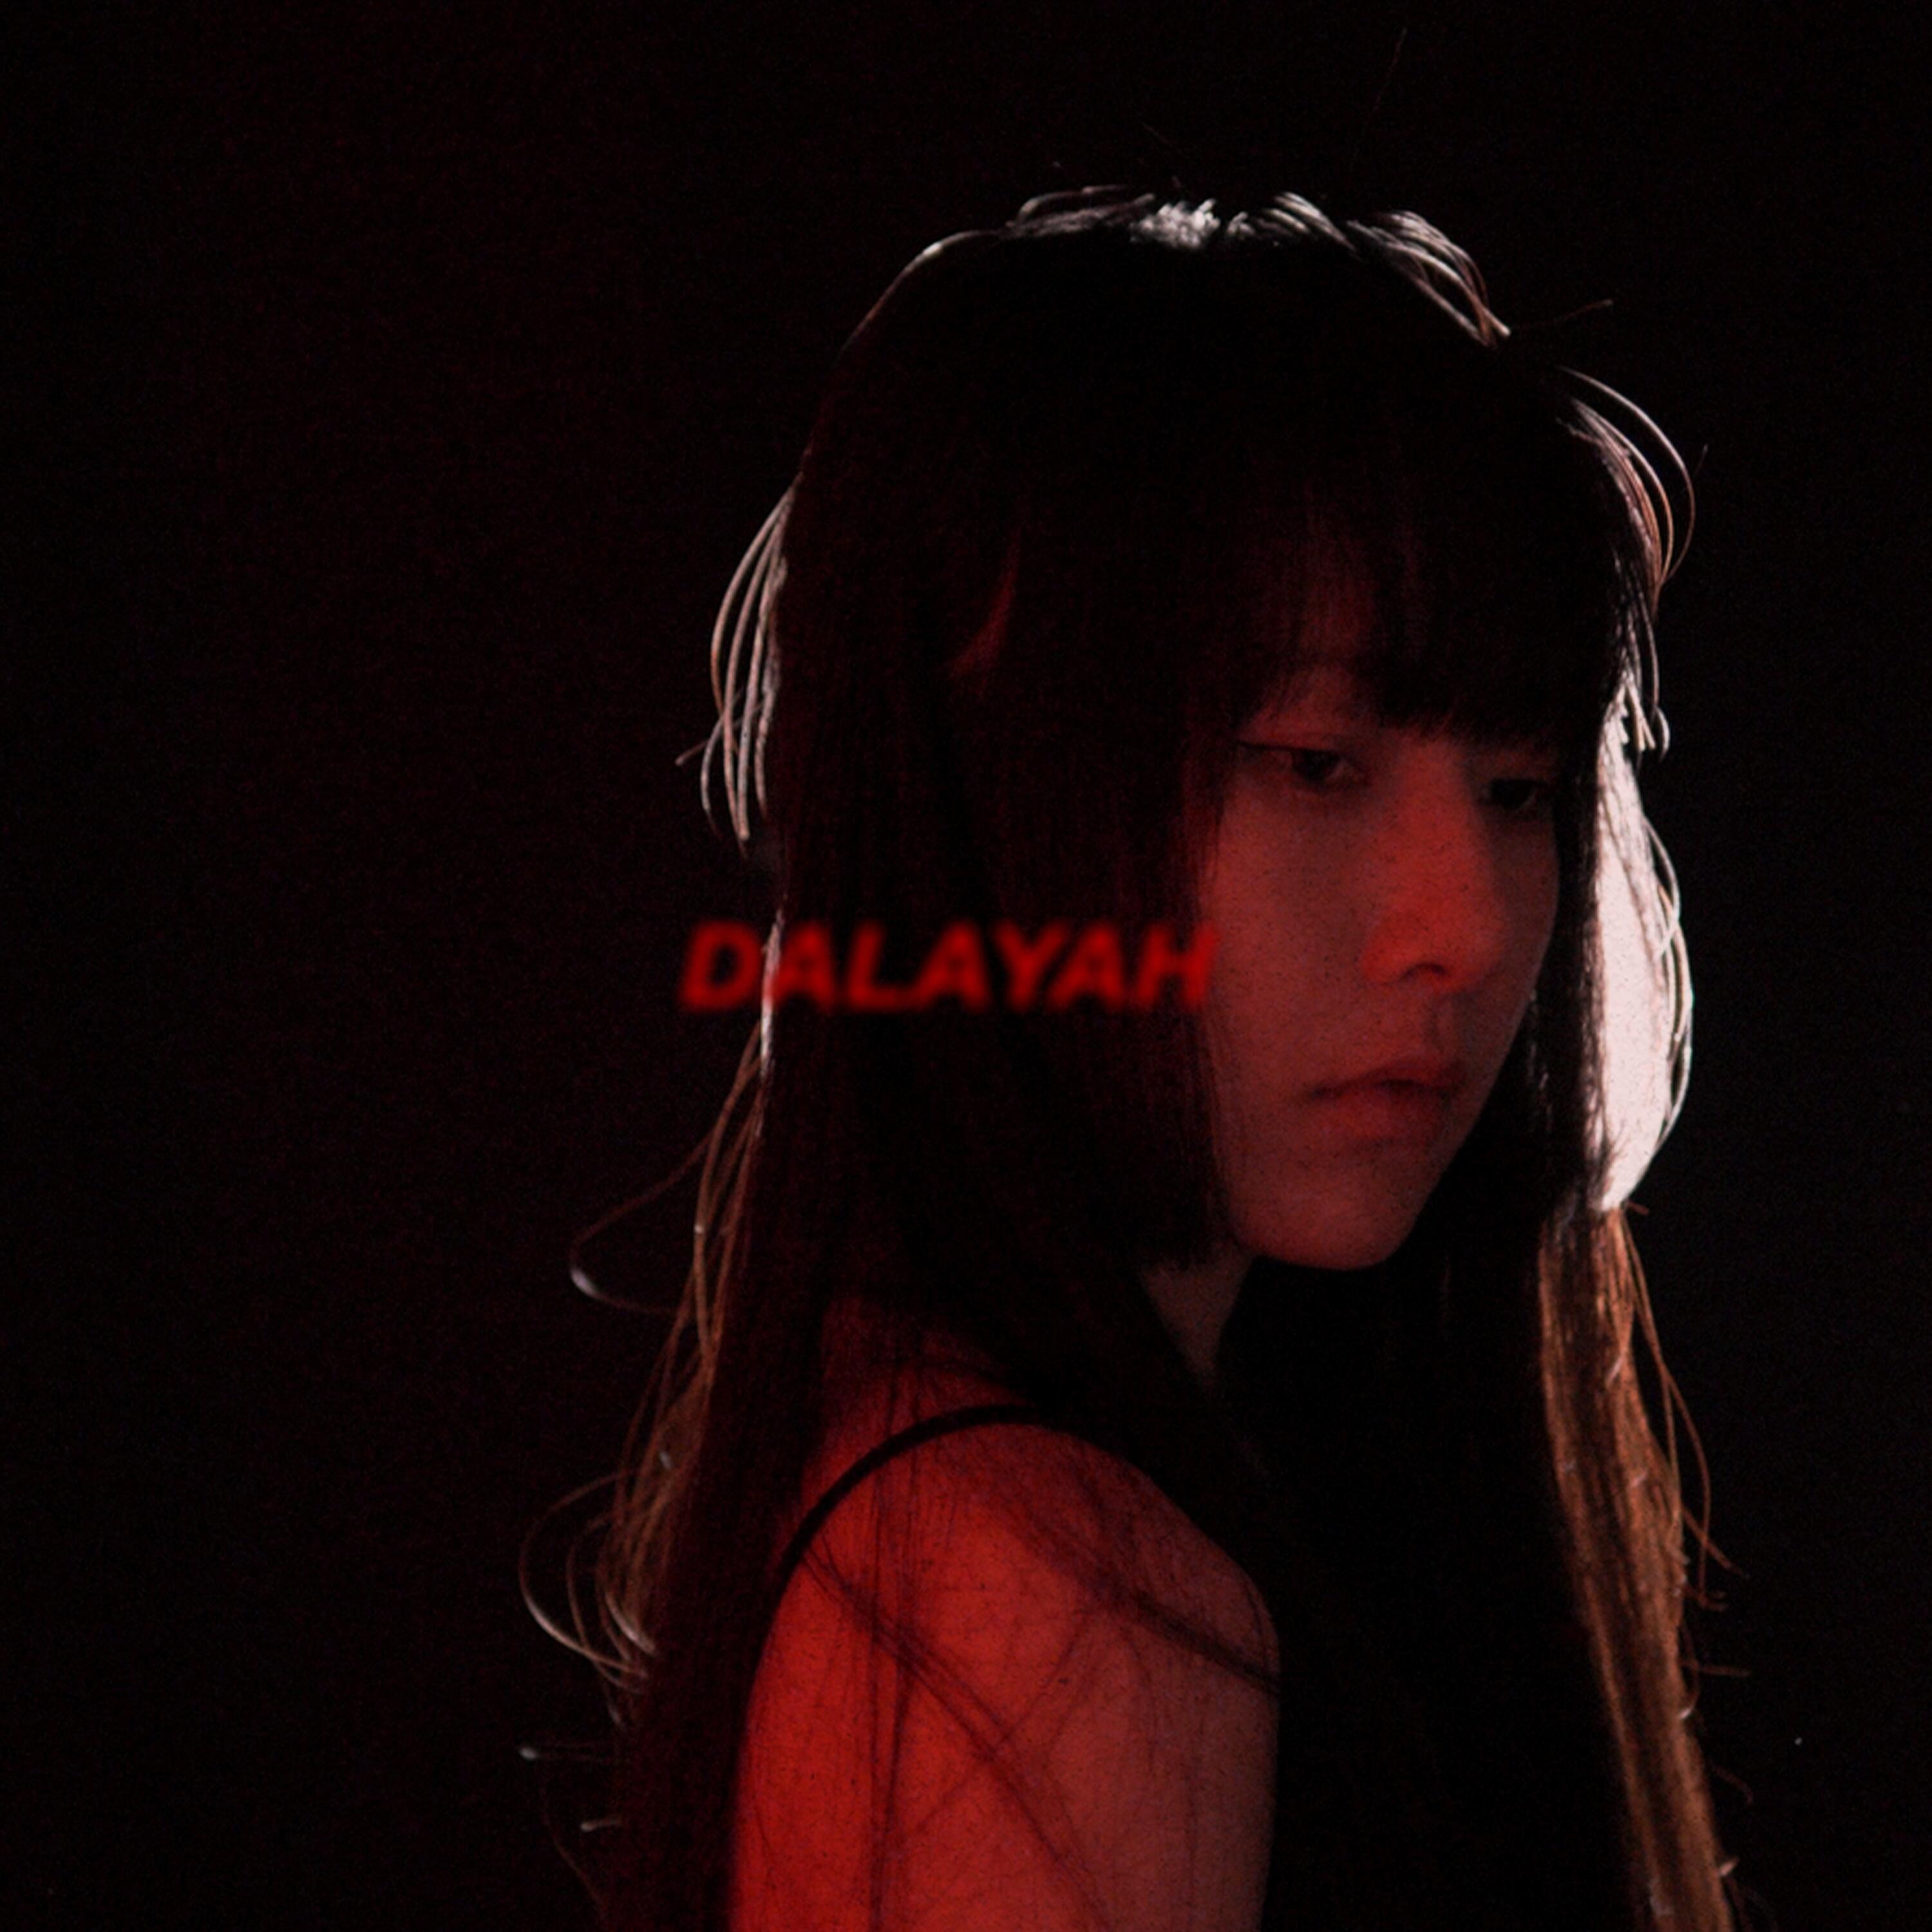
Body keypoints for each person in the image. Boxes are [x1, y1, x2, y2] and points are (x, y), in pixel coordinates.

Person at [557, 187, 1738, 1931]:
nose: (1473, 926)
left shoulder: (1055, 1515)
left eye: (1520, 787)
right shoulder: (1038, 1589)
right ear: (995, 793)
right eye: (1314, 763)